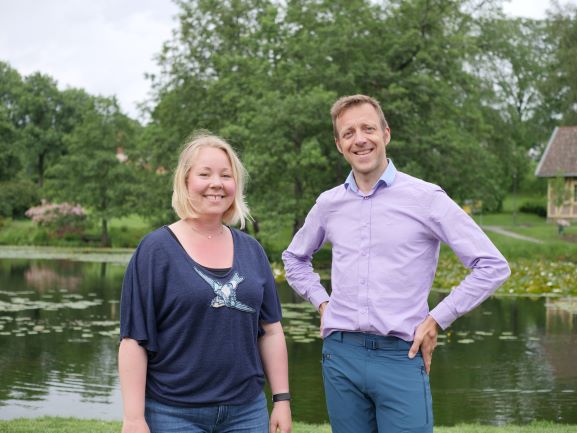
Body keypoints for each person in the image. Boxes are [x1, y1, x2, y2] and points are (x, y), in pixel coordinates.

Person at [282, 95, 510, 433]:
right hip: (340, 356)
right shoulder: (329, 204)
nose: (359, 139)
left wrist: (436, 319)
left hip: (401, 356)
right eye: (348, 133)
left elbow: (492, 265)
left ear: (386, 134)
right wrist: (322, 302)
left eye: (368, 128)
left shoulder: (426, 198)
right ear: (339, 144)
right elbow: (294, 258)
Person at [119, 132, 292, 433]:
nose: (216, 183)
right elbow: (134, 340)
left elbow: (272, 331)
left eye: (226, 175)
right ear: (185, 182)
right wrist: (134, 418)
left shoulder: (252, 251)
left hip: (247, 413)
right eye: (205, 174)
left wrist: (281, 400)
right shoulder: (155, 250)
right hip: (173, 413)